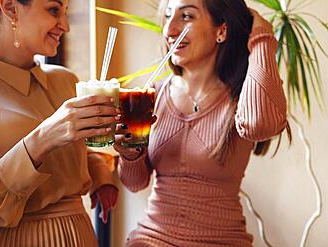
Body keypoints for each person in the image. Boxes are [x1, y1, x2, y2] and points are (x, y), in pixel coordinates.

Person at [114, 0, 290, 246]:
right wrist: (129, 154)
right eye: (167, 15)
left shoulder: (242, 97)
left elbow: (260, 125)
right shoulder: (152, 95)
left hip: (221, 240)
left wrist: (261, 35)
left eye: (186, 16)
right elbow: (135, 183)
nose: (170, 29)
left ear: (222, 30)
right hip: (152, 238)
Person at [0, 0, 119, 246]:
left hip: (80, 234)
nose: (65, 26)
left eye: (65, 13)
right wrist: (42, 138)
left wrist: (100, 175)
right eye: (54, 10)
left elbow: (73, 154)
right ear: (11, 7)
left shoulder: (66, 80)